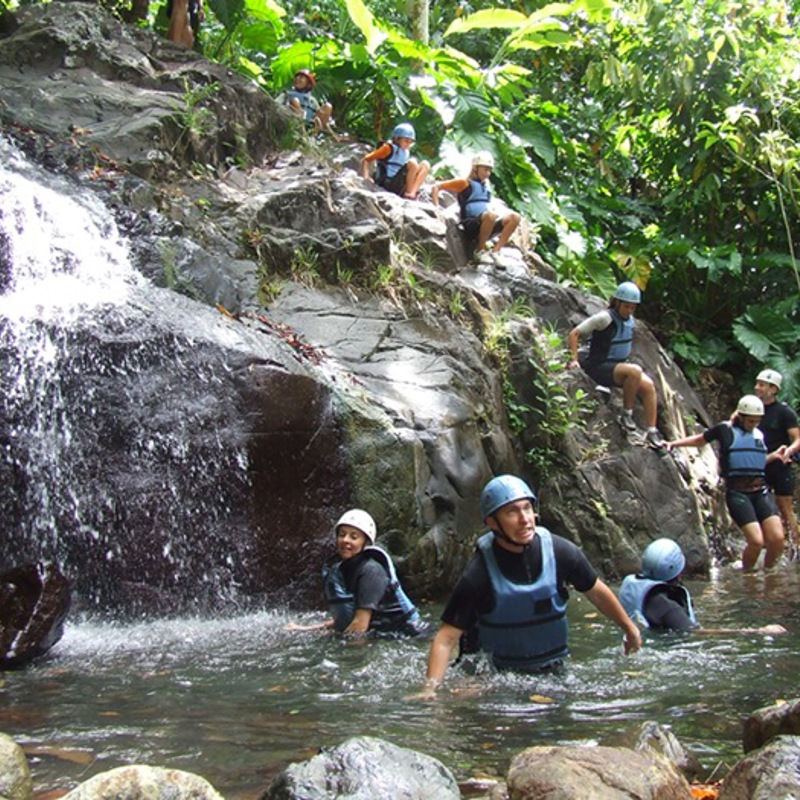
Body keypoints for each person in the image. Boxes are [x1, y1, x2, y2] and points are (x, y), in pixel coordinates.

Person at [420, 475, 641, 695]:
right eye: (512, 512)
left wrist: (630, 629)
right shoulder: (478, 574)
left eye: (527, 508)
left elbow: (597, 591)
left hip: (553, 672)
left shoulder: (561, 552)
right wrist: (430, 690)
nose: (525, 519)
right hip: (495, 677)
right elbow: (446, 638)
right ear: (492, 523)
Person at [665, 395, 786, 571]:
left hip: (761, 491)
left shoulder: (759, 434)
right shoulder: (725, 430)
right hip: (738, 492)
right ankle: (748, 575)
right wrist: (673, 444)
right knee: (756, 541)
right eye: (751, 421)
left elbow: (753, 462)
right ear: (741, 416)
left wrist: (774, 456)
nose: (754, 425)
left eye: (757, 421)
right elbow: (700, 440)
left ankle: (768, 574)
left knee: (777, 539)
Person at [285, 509, 428, 637]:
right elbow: (346, 618)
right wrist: (304, 629)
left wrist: (346, 660)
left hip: (408, 636)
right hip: (381, 635)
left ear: (365, 543)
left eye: (354, 537)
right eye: (342, 535)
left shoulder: (371, 572)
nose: (345, 540)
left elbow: (359, 627)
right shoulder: (345, 569)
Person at [620, 538, 786, 635]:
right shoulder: (668, 606)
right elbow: (696, 633)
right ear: (678, 569)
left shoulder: (635, 585)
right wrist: (757, 631)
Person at [567, 281, 662, 447]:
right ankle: (627, 414)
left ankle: (652, 431)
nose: (629, 311)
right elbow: (574, 333)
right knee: (635, 371)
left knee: (648, 386)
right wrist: (574, 359)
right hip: (597, 367)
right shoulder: (604, 318)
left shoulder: (630, 320)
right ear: (617, 302)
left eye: (633, 308)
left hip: (615, 368)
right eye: (626, 307)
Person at [430, 151, 521, 260]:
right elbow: (436, 187)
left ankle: (495, 252)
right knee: (490, 216)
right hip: (470, 225)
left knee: (515, 218)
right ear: (475, 168)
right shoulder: (464, 183)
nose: (488, 173)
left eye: (489, 170)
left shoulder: (486, 186)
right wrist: (436, 208)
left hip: (486, 223)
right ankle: (479, 251)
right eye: (485, 169)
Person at [754, 368, 800, 549]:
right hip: (758, 465)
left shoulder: (784, 412)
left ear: (773, 389)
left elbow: (797, 438)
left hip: (779, 466)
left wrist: (788, 452)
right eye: (757, 384)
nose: (757, 388)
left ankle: (795, 548)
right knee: (760, 509)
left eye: (762, 385)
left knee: (785, 509)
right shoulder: (750, 409)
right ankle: (769, 547)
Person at [360, 123, 430, 200]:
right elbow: (366, 160)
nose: (408, 144)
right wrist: (366, 178)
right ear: (396, 139)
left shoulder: (405, 151)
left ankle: (412, 192)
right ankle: (409, 193)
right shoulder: (388, 148)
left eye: (411, 142)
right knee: (412, 163)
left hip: (401, 183)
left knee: (425, 164)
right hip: (389, 183)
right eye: (406, 141)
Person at [283, 70, 338, 139]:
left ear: (308, 84)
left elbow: (321, 117)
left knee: (328, 106)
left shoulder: (312, 100)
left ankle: (313, 137)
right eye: (297, 78)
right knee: (295, 101)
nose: (298, 79)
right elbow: (274, 107)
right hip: (292, 124)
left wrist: (333, 135)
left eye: (301, 78)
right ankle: (303, 135)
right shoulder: (286, 95)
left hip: (310, 126)